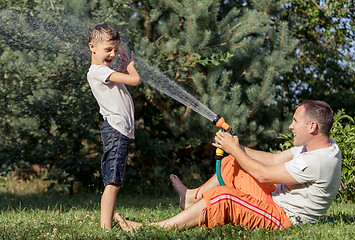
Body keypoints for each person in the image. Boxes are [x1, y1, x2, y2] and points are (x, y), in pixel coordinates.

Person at [115, 100, 341, 231]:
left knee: (225, 197)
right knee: (233, 161)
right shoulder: (317, 146)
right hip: (274, 199)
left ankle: (154, 228)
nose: (290, 126)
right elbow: (272, 159)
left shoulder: (318, 161)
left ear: (312, 127)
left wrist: (234, 148)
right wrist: (235, 147)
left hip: (284, 217)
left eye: (295, 121)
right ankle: (193, 198)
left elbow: (263, 175)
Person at [87, 23, 141, 230]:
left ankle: (105, 226)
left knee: (114, 180)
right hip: (115, 130)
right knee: (113, 182)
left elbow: (120, 83)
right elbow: (134, 80)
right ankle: (105, 228)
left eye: (116, 50)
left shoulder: (104, 72)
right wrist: (130, 65)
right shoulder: (97, 71)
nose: (113, 54)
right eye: (108, 49)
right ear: (93, 47)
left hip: (118, 130)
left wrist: (122, 67)